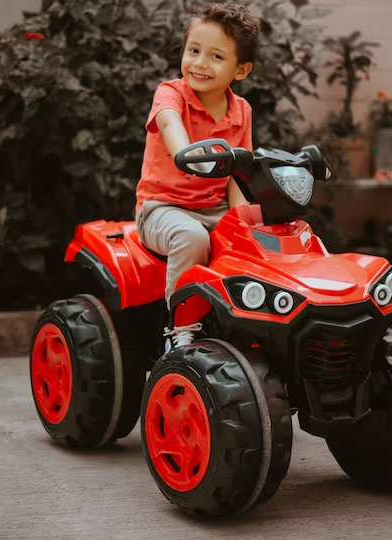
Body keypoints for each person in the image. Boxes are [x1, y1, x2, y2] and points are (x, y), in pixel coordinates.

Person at [135, 3, 259, 348]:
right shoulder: (171, 93)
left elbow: (237, 175)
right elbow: (169, 123)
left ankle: (249, 324)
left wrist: (244, 223)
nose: (200, 63)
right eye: (194, 51)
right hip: (162, 209)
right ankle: (180, 330)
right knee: (191, 237)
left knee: (259, 238)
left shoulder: (242, 111)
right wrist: (184, 152)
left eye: (216, 56)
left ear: (241, 70)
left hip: (213, 209)